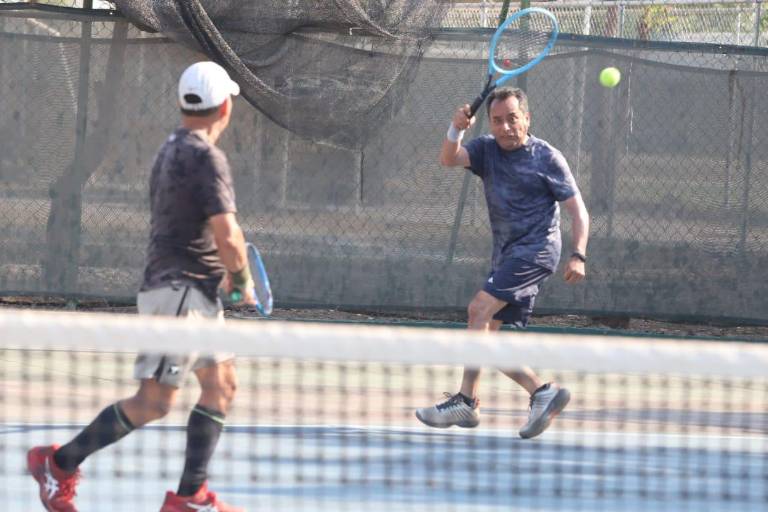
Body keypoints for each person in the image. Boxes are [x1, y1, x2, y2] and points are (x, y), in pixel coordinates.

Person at [27, 61, 255, 512]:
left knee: (221, 385)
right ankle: (58, 464)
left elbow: (195, 228)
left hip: (192, 291)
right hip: (181, 294)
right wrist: (241, 278)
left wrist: (224, 277)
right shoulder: (206, 158)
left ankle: (190, 497)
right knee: (154, 401)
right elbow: (227, 234)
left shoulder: (169, 149)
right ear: (225, 108)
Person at [415, 87, 589, 439]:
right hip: (508, 254)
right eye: (497, 121)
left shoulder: (547, 157)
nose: (506, 127)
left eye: (513, 118)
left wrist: (578, 254)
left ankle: (466, 400)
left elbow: (578, 211)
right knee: (485, 339)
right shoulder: (486, 150)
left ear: (527, 118)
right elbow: (449, 158)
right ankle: (542, 392)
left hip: (538, 250)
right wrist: (456, 128)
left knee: (477, 310)